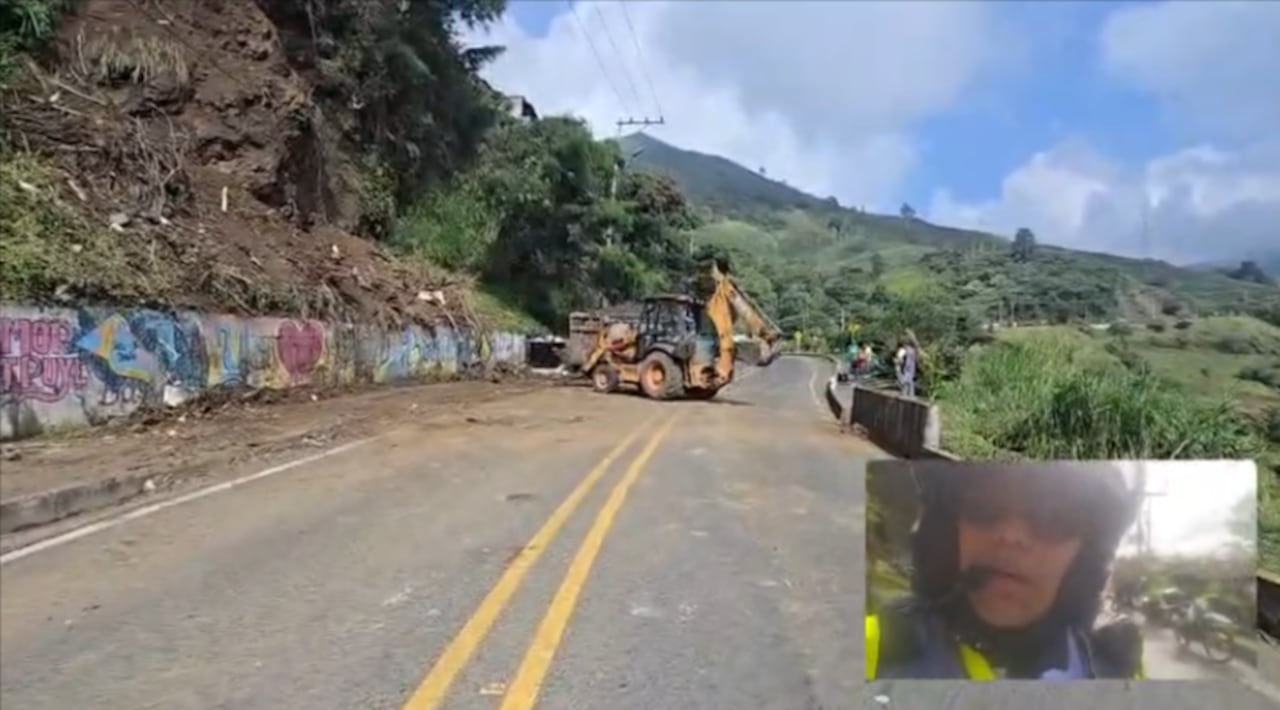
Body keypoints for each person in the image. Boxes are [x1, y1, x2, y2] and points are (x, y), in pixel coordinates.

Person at [866, 462, 1147, 680]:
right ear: (947, 533)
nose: (1011, 536)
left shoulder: (1117, 666)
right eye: (983, 508)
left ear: (1086, 556)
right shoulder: (876, 649)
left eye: (1053, 518)